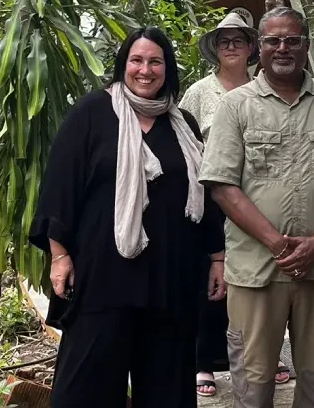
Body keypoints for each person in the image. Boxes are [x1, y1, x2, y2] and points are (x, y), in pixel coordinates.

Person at [29, 27, 224, 408]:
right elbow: (59, 187)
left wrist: (217, 257)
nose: (145, 70)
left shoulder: (182, 122)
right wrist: (60, 255)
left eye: (155, 61)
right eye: (137, 60)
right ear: (123, 65)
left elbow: (205, 195)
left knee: (166, 392)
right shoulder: (92, 113)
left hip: (170, 281)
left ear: (167, 68)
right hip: (103, 279)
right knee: (85, 391)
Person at [199, 7, 314, 408]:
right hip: (256, 269)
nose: (283, 48)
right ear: (258, 48)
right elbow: (222, 186)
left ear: (306, 46)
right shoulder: (236, 106)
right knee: (254, 380)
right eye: (273, 40)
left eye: (292, 40)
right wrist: (279, 245)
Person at [179, 13, 291, 397]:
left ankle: (268, 355)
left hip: (261, 197)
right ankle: (205, 362)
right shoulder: (199, 92)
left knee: (264, 280)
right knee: (213, 279)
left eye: (238, 40)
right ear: (216, 48)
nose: (231, 46)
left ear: (251, 48)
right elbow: (182, 138)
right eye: (224, 41)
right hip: (212, 198)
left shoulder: (268, 87)